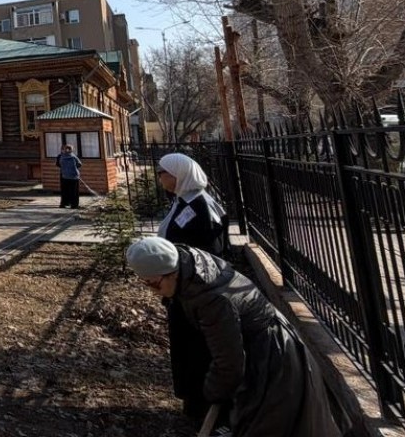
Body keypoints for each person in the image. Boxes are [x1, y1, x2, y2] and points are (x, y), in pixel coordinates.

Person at [126, 238, 341, 437]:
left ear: (171, 272)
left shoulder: (213, 301)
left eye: (153, 284)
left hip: (272, 360)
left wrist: (210, 394)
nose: (152, 292)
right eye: (145, 283)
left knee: (269, 426)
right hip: (257, 348)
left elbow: (229, 363)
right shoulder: (188, 262)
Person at [155, 152, 231, 423]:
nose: (160, 177)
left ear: (179, 175)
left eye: (163, 172)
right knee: (189, 347)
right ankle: (195, 403)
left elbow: (209, 251)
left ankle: (206, 409)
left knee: (198, 349)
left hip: (196, 291)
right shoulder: (185, 201)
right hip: (182, 288)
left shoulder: (199, 207)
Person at [56, 144, 82, 209]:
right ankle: (74, 205)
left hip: (64, 176)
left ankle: (63, 204)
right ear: (71, 149)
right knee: (74, 191)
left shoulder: (61, 157)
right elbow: (79, 164)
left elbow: (59, 164)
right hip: (74, 177)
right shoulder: (73, 156)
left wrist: (65, 169)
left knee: (64, 190)